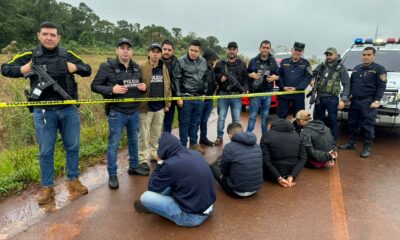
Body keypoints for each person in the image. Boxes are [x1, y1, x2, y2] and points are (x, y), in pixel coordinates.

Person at [1, 22, 92, 204]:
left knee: (73, 147)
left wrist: (75, 68)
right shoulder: (30, 55)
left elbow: (87, 69)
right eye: (45, 34)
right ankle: (47, 187)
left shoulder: (67, 54)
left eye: (53, 35)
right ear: (38, 35)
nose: (49, 38)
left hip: (68, 109)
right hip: (43, 111)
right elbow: (4, 68)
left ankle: (73, 181)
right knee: (45, 151)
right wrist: (22, 70)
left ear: (58, 38)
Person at [91, 38, 148, 189]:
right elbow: (94, 86)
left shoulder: (136, 67)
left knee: (134, 140)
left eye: (128, 48)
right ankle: (112, 175)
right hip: (117, 112)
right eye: (122, 47)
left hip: (134, 111)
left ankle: (134, 167)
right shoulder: (107, 66)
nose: (125, 51)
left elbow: (139, 87)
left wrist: (143, 88)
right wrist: (111, 90)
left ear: (132, 51)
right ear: (117, 50)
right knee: (114, 144)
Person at [134, 132, 216, 227]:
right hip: (208, 208)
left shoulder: (171, 165)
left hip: (191, 217)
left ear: (164, 150)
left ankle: (153, 207)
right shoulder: (195, 154)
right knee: (171, 181)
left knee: (146, 197)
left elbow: (152, 186)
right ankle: (158, 204)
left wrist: (160, 162)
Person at [339, 47, 387, 158]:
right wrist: (345, 98)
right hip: (355, 101)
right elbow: (351, 85)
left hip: (368, 102)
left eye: (368, 55)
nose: (365, 57)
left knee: (367, 125)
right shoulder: (356, 69)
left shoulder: (379, 69)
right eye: (364, 54)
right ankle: (351, 144)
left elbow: (381, 87)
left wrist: (377, 100)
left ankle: (367, 147)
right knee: (352, 123)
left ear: (373, 56)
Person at [138, 43, 172, 171]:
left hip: (159, 108)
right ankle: (142, 158)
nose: (156, 54)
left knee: (156, 133)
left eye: (158, 51)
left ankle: (153, 154)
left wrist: (167, 103)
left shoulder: (163, 67)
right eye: (153, 51)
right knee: (143, 134)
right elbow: (137, 85)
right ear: (149, 53)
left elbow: (168, 86)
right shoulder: (141, 66)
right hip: (145, 108)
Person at [173, 40, 208, 154]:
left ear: (200, 51)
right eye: (191, 50)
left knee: (195, 122)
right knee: (184, 123)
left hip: (199, 98)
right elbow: (176, 80)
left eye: (196, 51)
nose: (193, 53)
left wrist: (204, 93)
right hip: (186, 97)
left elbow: (206, 78)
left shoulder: (203, 62)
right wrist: (178, 97)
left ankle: (193, 145)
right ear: (188, 49)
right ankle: (183, 147)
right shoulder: (180, 61)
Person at [210, 122, 262, 198]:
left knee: (213, 167)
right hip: (255, 189)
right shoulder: (256, 145)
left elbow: (224, 172)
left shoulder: (229, 147)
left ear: (230, 135)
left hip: (237, 192)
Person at [213, 42, 248, 146]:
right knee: (221, 117)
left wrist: (246, 89)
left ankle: (237, 138)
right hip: (223, 94)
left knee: (236, 119)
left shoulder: (242, 63)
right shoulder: (220, 63)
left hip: (236, 95)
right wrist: (220, 78)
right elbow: (213, 76)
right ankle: (219, 137)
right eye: (230, 49)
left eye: (234, 49)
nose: (232, 51)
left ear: (237, 50)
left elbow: (245, 79)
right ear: (227, 50)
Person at [312, 47, 350, 140]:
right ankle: (318, 139)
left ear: (336, 55)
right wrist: (311, 81)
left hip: (332, 99)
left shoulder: (340, 67)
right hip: (320, 97)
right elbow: (311, 74)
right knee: (318, 121)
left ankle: (333, 142)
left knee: (333, 121)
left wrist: (343, 100)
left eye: (331, 54)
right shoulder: (321, 66)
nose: (328, 56)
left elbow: (347, 84)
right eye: (327, 55)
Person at [260, 115, 306, 187]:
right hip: (291, 173)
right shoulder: (297, 135)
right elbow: (303, 158)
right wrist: (292, 176)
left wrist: (279, 178)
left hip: (271, 176)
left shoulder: (267, 136)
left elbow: (265, 160)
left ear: (269, 126)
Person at [247, 40, 280, 134]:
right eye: (263, 47)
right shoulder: (253, 61)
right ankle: (249, 134)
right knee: (253, 115)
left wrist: (276, 77)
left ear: (270, 49)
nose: (265, 49)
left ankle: (265, 136)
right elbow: (246, 74)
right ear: (260, 49)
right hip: (256, 92)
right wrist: (250, 75)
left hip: (268, 92)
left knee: (265, 115)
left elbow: (279, 74)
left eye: (267, 48)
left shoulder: (273, 62)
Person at [277, 42, 312, 119]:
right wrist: (283, 87)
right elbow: (278, 76)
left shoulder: (306, 63)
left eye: (299, 51)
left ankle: (297, 131)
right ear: (292, 50)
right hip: (284, 94)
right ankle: (280, 130)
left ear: (302, 52)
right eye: (296, 50)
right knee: (281, 116)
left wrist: (297, 88)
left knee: (299, 117)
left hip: (298, 95)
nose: (297, 52)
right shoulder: (284, 62)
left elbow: (308, 77)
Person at [199, 48, 219, 146]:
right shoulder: (200, 67)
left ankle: (203, 138)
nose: (214, 61)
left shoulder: (211, 68)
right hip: (201, 99)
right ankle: (194, 142)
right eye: (213, 59)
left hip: (209, 98)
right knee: (196, 121)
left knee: (204, 121)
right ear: (207, 58)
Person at [161, 40, 179, 133]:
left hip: (171, 98)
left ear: (173, 51)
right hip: (158, 98)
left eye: (169, 50)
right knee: (155, 124)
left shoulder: (177, 63)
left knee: (168, 123)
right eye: (164, 49)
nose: (167, 52)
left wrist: (178, 97)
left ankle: (166, 143)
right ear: (161, 49)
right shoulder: (156, 61)